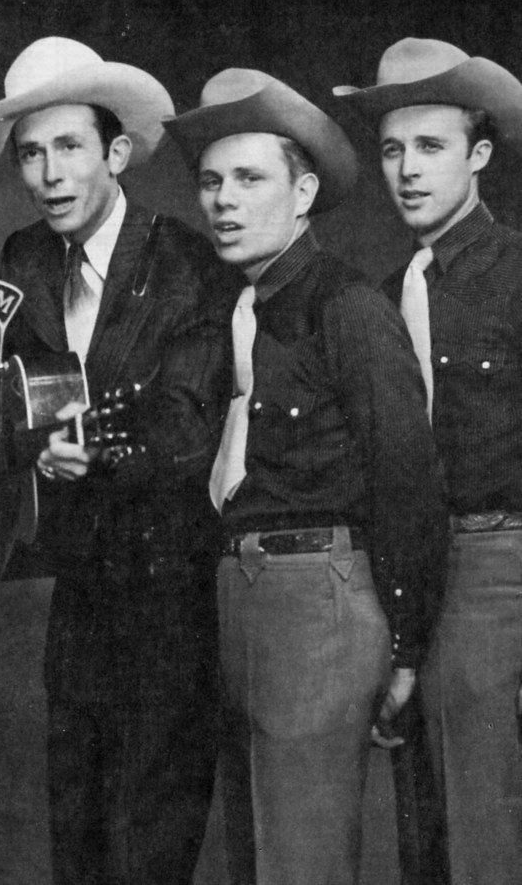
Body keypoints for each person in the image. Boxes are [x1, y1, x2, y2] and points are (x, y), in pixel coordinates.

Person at [0, 36, 232, 885]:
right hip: (78, 597)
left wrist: (91, 447)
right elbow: (0, 396)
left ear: (115, 152)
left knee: (148, 841)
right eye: (30, 153)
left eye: (68, 146)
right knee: (76, 831)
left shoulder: (186, 260)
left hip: (170, 594)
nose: (47, 173)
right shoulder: (23, 260)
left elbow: (186, 424)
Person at [163, 69, 449, 885]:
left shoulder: (347, 306)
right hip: (238, 596)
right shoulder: (236, 306)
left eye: (249, 178)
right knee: (255, 859)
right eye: (211, 181)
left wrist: (406, 646)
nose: (222, 200)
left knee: (303, 863)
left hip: (318, 601)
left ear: (303, 191)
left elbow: (406, 478)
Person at [336, 37, 522, 885]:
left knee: (487, 824)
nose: (406, 169)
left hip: (497, 564)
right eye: (390, 149)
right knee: (421, 828)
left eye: (431, 146)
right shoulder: (378, 297)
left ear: (478, 155)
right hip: (403, 573)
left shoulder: (516, 273)